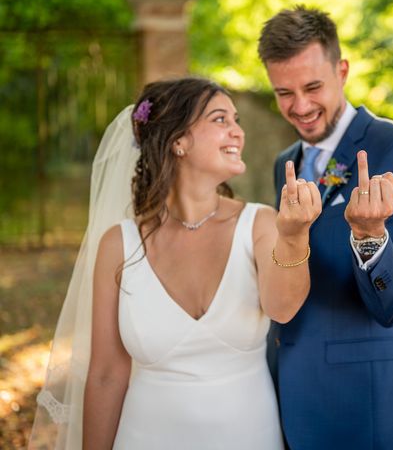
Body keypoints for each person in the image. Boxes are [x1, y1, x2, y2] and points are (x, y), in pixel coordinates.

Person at [30, 77, 321, 449]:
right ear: (178, 141)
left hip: (249, 436)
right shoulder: (119, 245)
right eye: (220, 120)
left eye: (236, 120)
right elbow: (105, 374)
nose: (238, 132)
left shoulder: (260, 223)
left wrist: (295, 237)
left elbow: (284, 308)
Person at [258, 6, 393, 449]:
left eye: (313, 86)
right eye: (284, 92)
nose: (300, 107)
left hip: (362, 400)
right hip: (287, 391)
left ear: (342, 70)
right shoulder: (286, 164)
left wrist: (371, 236)